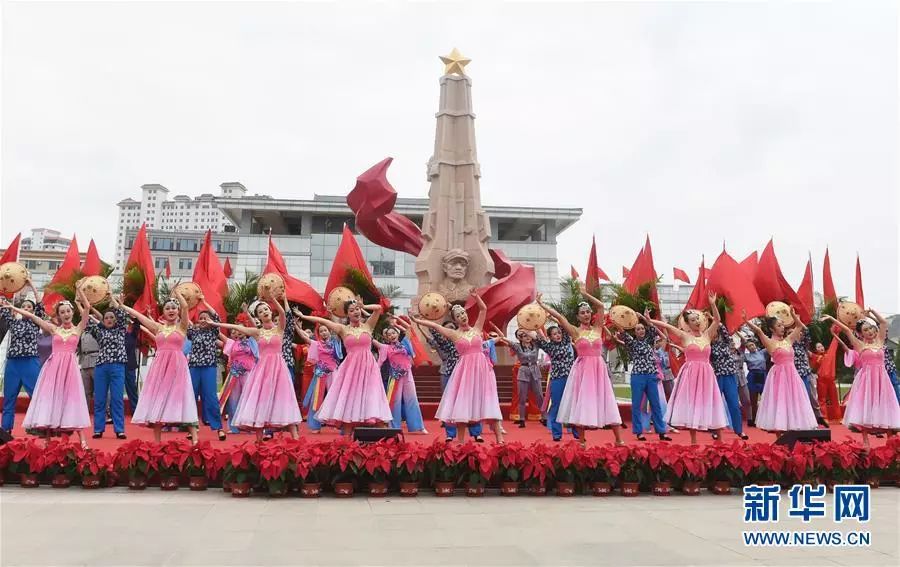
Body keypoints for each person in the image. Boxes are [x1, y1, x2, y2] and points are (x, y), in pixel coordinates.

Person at [536, 287, 625, 446]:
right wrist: (541, 305)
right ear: (577, 316)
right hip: (583, 371)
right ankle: (582, 441)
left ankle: (619, 439)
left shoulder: (598, 328)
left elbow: (600, 306)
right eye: (582, 312)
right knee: (582, 402)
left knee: (608, 401)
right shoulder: (575, 331)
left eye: (587, 311)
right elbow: (560, 317)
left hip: (599, 371)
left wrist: (585, 294)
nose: (586, 314)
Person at [412, 292, 504, 444]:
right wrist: (417, 320)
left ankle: (499, 438)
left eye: (463, 313)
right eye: (458, 315)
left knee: (489, 401)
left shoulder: (477, 329)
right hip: (465, 372)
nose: (462, 316)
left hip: (482, 371)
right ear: (455, 320)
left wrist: (476, 296)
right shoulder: (454, 334)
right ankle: (460, 440)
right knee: (463, 403)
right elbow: (434, 325)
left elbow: (483, 309)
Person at [5, 286, 91, 447]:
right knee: (51, 400)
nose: (66, 314)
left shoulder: (78, 328)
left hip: (70, 370)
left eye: (68, 311)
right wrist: (12, 307)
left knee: (72, 401)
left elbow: (87, 308)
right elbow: (32, 316)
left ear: (72, 312)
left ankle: (82, 439)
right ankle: (47, 439)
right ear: (58, 316)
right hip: (53, 370)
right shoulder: (53, 329)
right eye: (62, 312)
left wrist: (79, 290)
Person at [213, 296, 302, 441]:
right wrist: (214, 323)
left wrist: (272, 297)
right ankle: (259, 439)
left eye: (266, 309)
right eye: (261, 311)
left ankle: (295, 436)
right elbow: (236, 328)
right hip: (262, 370)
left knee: (284, 399)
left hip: (279, 369)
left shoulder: (280, 328)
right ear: (258, 317)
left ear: (270, 312)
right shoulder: (257, 332)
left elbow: (282, 313)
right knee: (261, 399)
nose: (265, 312)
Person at [646, 293, 729, 445]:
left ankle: (720, 439)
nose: (696, 321)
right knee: (692, 403)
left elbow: (717, 320)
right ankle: (693, 440)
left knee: (712, 401)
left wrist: (712, 304)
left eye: (697, 318)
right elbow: (667, 326)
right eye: (692, 320)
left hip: (707, 374)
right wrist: (650, 320)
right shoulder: (684, 336)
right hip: (691, 374)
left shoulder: (707, 335)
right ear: (688, 324)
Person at [300, 299, 392, 436]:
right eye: (352, 310)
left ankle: (386, 443)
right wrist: (303, 317)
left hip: (369, 369)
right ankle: (346, 444)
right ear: (347, 314)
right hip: (351, 370)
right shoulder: (342, 329)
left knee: (373, 398)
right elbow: (323, 321)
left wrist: (364, 305)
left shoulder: (368, 326)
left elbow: (378, 308)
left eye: (357, 309)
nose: (356, 312)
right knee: (350, 402)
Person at [121, 291, 199, 444]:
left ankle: (195, 440)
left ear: (177, 312)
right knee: (159, 400)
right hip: (160, 369)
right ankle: (157, 443)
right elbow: (139, 316)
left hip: (177, 369)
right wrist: (122, 305)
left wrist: (178, 294)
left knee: (182, 400)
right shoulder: (158, 328)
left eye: (173, 308)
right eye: (167, 308)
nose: (171, 310)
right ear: (163, 312)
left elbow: (184, 306)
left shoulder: (182, 327)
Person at [822, 310, 900, 448]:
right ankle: (865, 441)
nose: (869, 331)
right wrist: (832, 318)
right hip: (867, 381)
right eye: (865, 330)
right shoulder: (859, 345)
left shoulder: (880, 341)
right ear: (861, 334)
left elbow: (883, 322)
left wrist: (871, 314)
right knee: (865, 407)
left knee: (884, 407)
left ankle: (890, 441)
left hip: (882, 380)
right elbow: (846, 330)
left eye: (870, 328)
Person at [743, 307, 818, 435]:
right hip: (779, 376)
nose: (782, 327)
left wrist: (794, 316)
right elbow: (759, 331)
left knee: (794, 402)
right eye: (779, 325)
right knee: (780, 403)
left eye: (782, 325)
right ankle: (779, 438)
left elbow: (800, 327)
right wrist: (746, 320)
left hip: (792, 375)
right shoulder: (770, 342)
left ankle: (792, 433)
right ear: (772, 329)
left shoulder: (788, 340)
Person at [421, 320, 484, 442]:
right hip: (448, 373)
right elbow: (435, 330)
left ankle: (476, 432)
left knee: (471, 402)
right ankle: (450, 433)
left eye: (451, 327)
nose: (449, 330)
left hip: (466, 375)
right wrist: (425, 319)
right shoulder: (444, 343)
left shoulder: (463, 339)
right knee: (450, 404)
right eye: (446, 328)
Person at [615, 309, 671, 442]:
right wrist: (618, 318)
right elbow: (622, 332)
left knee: (656, 404)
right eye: (638, 329)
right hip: (638, 376)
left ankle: (662, 432)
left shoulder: (649, 341)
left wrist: (645, 317)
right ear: (634, 332)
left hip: (651, 376)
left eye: (642, 329)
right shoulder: (632, 342)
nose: (641, 331)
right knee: (636, 405)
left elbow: (652, 328)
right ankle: (639, 432)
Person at [0, 279, 44, 434]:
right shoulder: (13, 322)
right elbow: (4, 306)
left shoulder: (35, 322)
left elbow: (40, 304)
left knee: (35, 395)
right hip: (13, 363)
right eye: (24, 306)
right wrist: (6, 288)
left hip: (30, 362)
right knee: (9, 398)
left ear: (32, 311)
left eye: (29, 307)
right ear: (19, 309)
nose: (26, 308)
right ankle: (5, 429)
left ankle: (37, 427)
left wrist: (31, 284)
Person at [84, 294, 129, 439]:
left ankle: (119, 429)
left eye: (111, 317)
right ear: (103, 320)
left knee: (117, 399)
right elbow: (86, 317)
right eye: (106, 318)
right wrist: (84, 302)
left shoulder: (120, 329)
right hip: (101, 367)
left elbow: (123, 315)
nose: (109, 319)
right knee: (100, 399)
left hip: (117, 366)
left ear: (116, 320)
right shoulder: (99, 330)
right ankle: (98, 429)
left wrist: (116, 303)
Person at [375, 319, 427, 434]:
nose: (391, 335)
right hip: (395, 377)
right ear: (386, 338)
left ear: (397, 334)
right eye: (388, 335)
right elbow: (372, 343)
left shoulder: (405, 343)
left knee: (412, 399)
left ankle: (418, 426)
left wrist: (396, 323)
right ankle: (394, 426)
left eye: (393, 333)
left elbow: (409, 328)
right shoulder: (386, 348)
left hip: (407, 374)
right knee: (395, 401)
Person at [187, 295, 226, 441]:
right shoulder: (193, 332)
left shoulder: (213, 332)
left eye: (206, 318)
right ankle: (192, 429)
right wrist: (185, 304)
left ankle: (219, 428)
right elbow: (184, 319)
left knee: (211, 398)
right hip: (194, 368)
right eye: (201, 318)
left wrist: (203, 302)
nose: (203, 320)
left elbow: (216, 316)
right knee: (191, 397)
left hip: (209, 367)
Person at [533, 324, 578, 441]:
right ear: (550, 337)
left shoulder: (567, 341)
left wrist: (555, 318)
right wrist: (534, 325)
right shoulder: (549, 347)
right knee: (556, 405)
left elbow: (565, 326)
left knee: (573, 405)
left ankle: (577, 431)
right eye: (554, 334)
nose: (558, 335)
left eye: (559, 333)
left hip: (571, 378)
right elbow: (536, 337)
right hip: (557, 379)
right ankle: (557, 434)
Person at [495, 327, 546, 428]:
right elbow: (505, 339)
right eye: (523, 335)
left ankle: (544, 417)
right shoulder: (517, 347)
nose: (526, 337)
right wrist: (497, 330)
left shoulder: (536, 345)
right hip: (523, 370)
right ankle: (521, 419)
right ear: (520, 338)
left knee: (539, 395)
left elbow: (543, 339)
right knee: (522, 396)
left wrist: (534, 328)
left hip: (535, 370)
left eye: (528, 335)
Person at [297, 323, 343, 433]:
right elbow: (304, 338)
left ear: (329, 331)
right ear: (318, 334)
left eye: (325, 330)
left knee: (337, 397)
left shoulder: (335, 342)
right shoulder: (316, 344)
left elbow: (340, 330)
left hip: (333, 372)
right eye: (321, 331)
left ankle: (339, 424)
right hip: (320, 373)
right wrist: (297, 327)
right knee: (316, 399)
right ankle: (315, 425)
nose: (324, 333)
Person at [709, 321, 749, 440]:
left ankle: (739, 430)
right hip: (717, 376)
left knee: (734, 403)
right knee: (716, 404)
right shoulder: (709, 345)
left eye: (715, 331)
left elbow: (725, 331)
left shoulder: (725, 342)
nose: (714, 333)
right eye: (712, 331)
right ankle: (715, 430)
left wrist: (714, 320)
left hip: (730, 374)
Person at [219, 320, 259, 434]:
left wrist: (248, 314)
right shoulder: (232, 343)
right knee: (233, 400)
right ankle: (234, 427)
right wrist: (214, 324)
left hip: (248, 373)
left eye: (241, 329)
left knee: (248, 399)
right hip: (234, 374)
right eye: (235, 330)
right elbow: (219, 335)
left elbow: (256, 330)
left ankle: (249, 425)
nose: (238, 332)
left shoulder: (252, 341)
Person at [791, 322, 829, 427]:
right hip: (795, 376)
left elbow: (807, 331)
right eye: (790, 333)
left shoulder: (803, 345)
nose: (793, 334)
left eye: (796, 332)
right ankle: (802, 421)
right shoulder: (789, 346)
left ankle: (818, 417)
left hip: (807, 374)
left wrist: (797, 321)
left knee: (812, 396)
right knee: (801, 398)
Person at [742, 339, 768, 426]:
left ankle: (766, 420)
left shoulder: (762, 353)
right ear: (747, 348)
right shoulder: (746, 356)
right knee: (753, 400)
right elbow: (739, 353)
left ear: (755, 345)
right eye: (749, 346)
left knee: (765, 399)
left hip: (762, 375)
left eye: (752, 344)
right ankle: (754, 419)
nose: (752, 347)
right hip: (752, 376)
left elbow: (769, 344)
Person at [123, 320, 141, 415]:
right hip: (119, 365)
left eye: (128, 325)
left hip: (130, 365)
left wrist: (133, 318)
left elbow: (137, 326)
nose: (126, 326)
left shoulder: (132, 335)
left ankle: (136, 410)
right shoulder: (119, 336)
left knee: (131, 388)